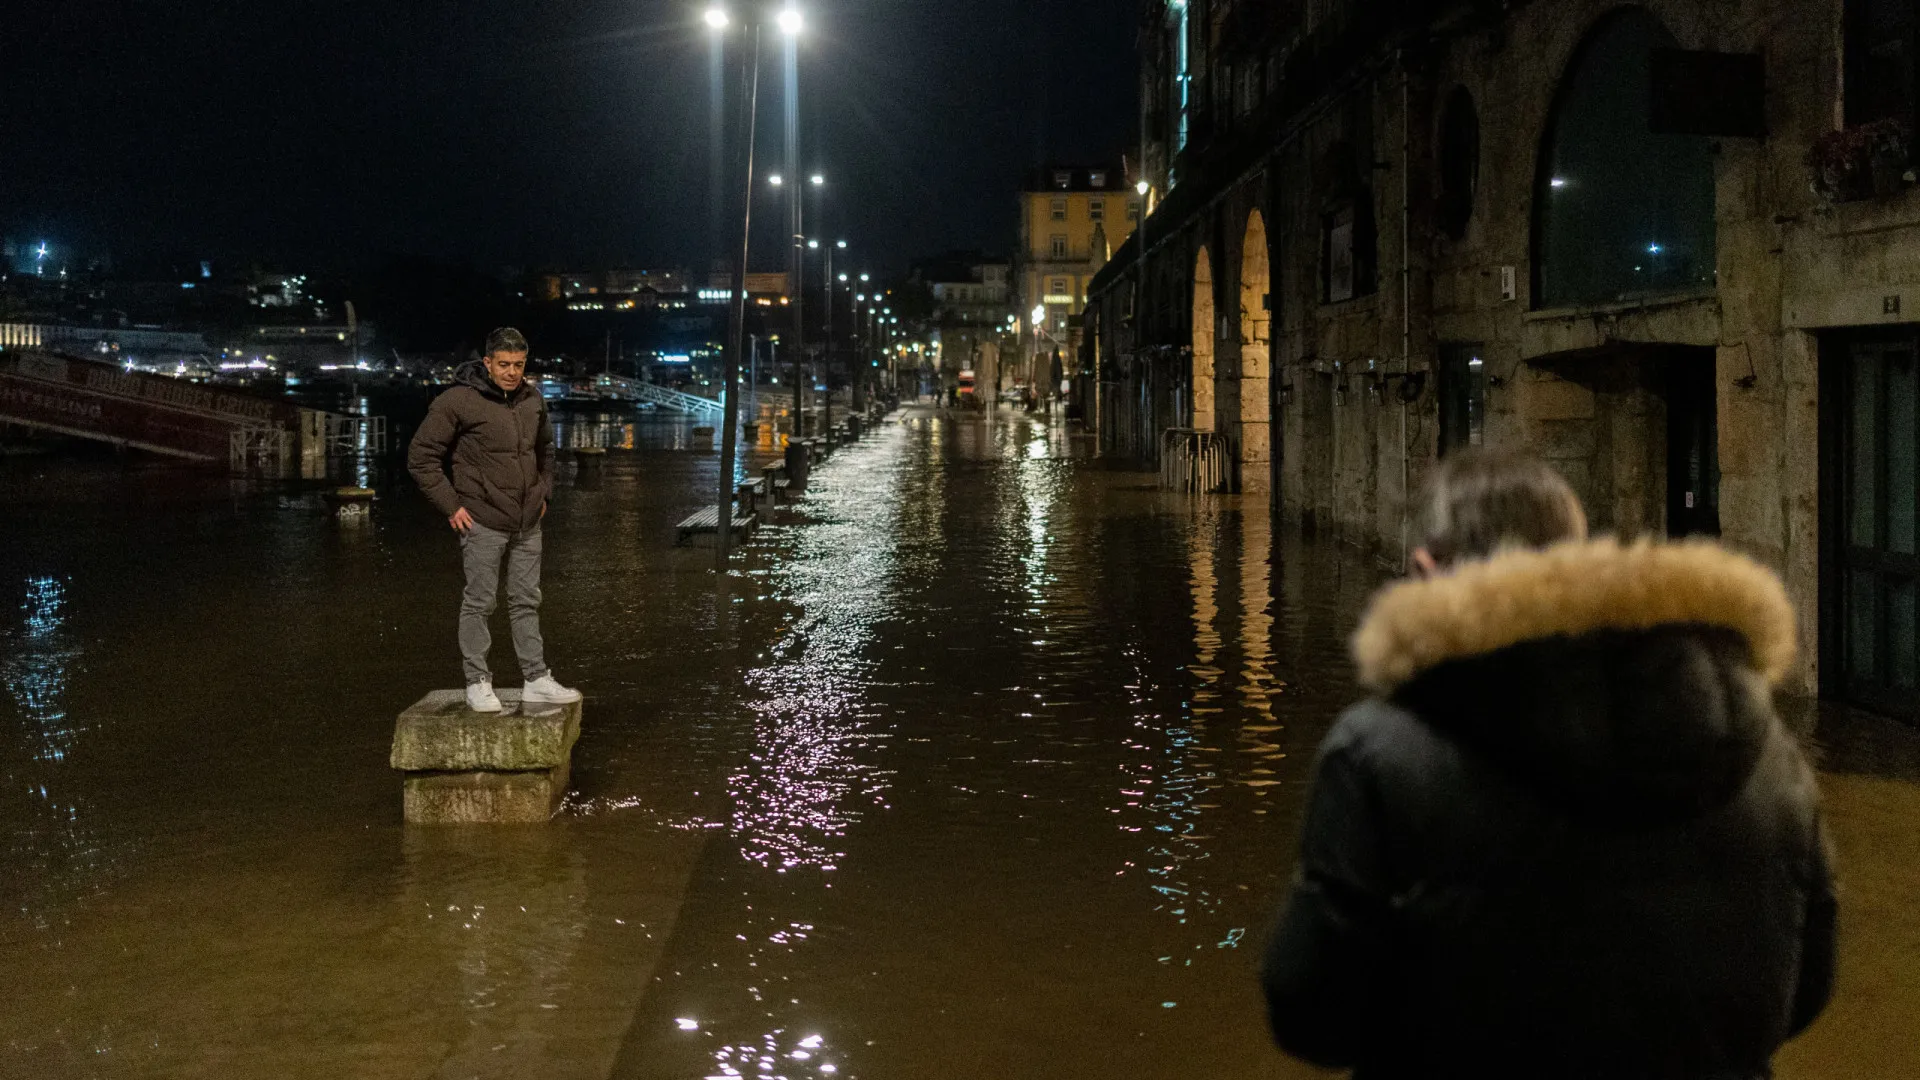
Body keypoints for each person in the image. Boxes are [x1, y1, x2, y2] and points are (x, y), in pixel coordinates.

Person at [1261, 449, 1835, 1079]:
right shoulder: (1764, 750)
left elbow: (1312, 1012)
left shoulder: (1379, 753)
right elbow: (1800, 994)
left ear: (1427, 569)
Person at [407, 327, 581, 713]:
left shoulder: (533, 400)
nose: (512, 372)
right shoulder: (458, 401)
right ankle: (477, 681)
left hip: (527, 520)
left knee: (526, 601)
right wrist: (452, 506)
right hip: (481, 520)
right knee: (480, 602)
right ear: (487, 363)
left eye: (519, 365)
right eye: (504, 364)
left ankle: (536, 679)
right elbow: (421, 458)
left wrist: (543, 493)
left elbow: (546, 451)